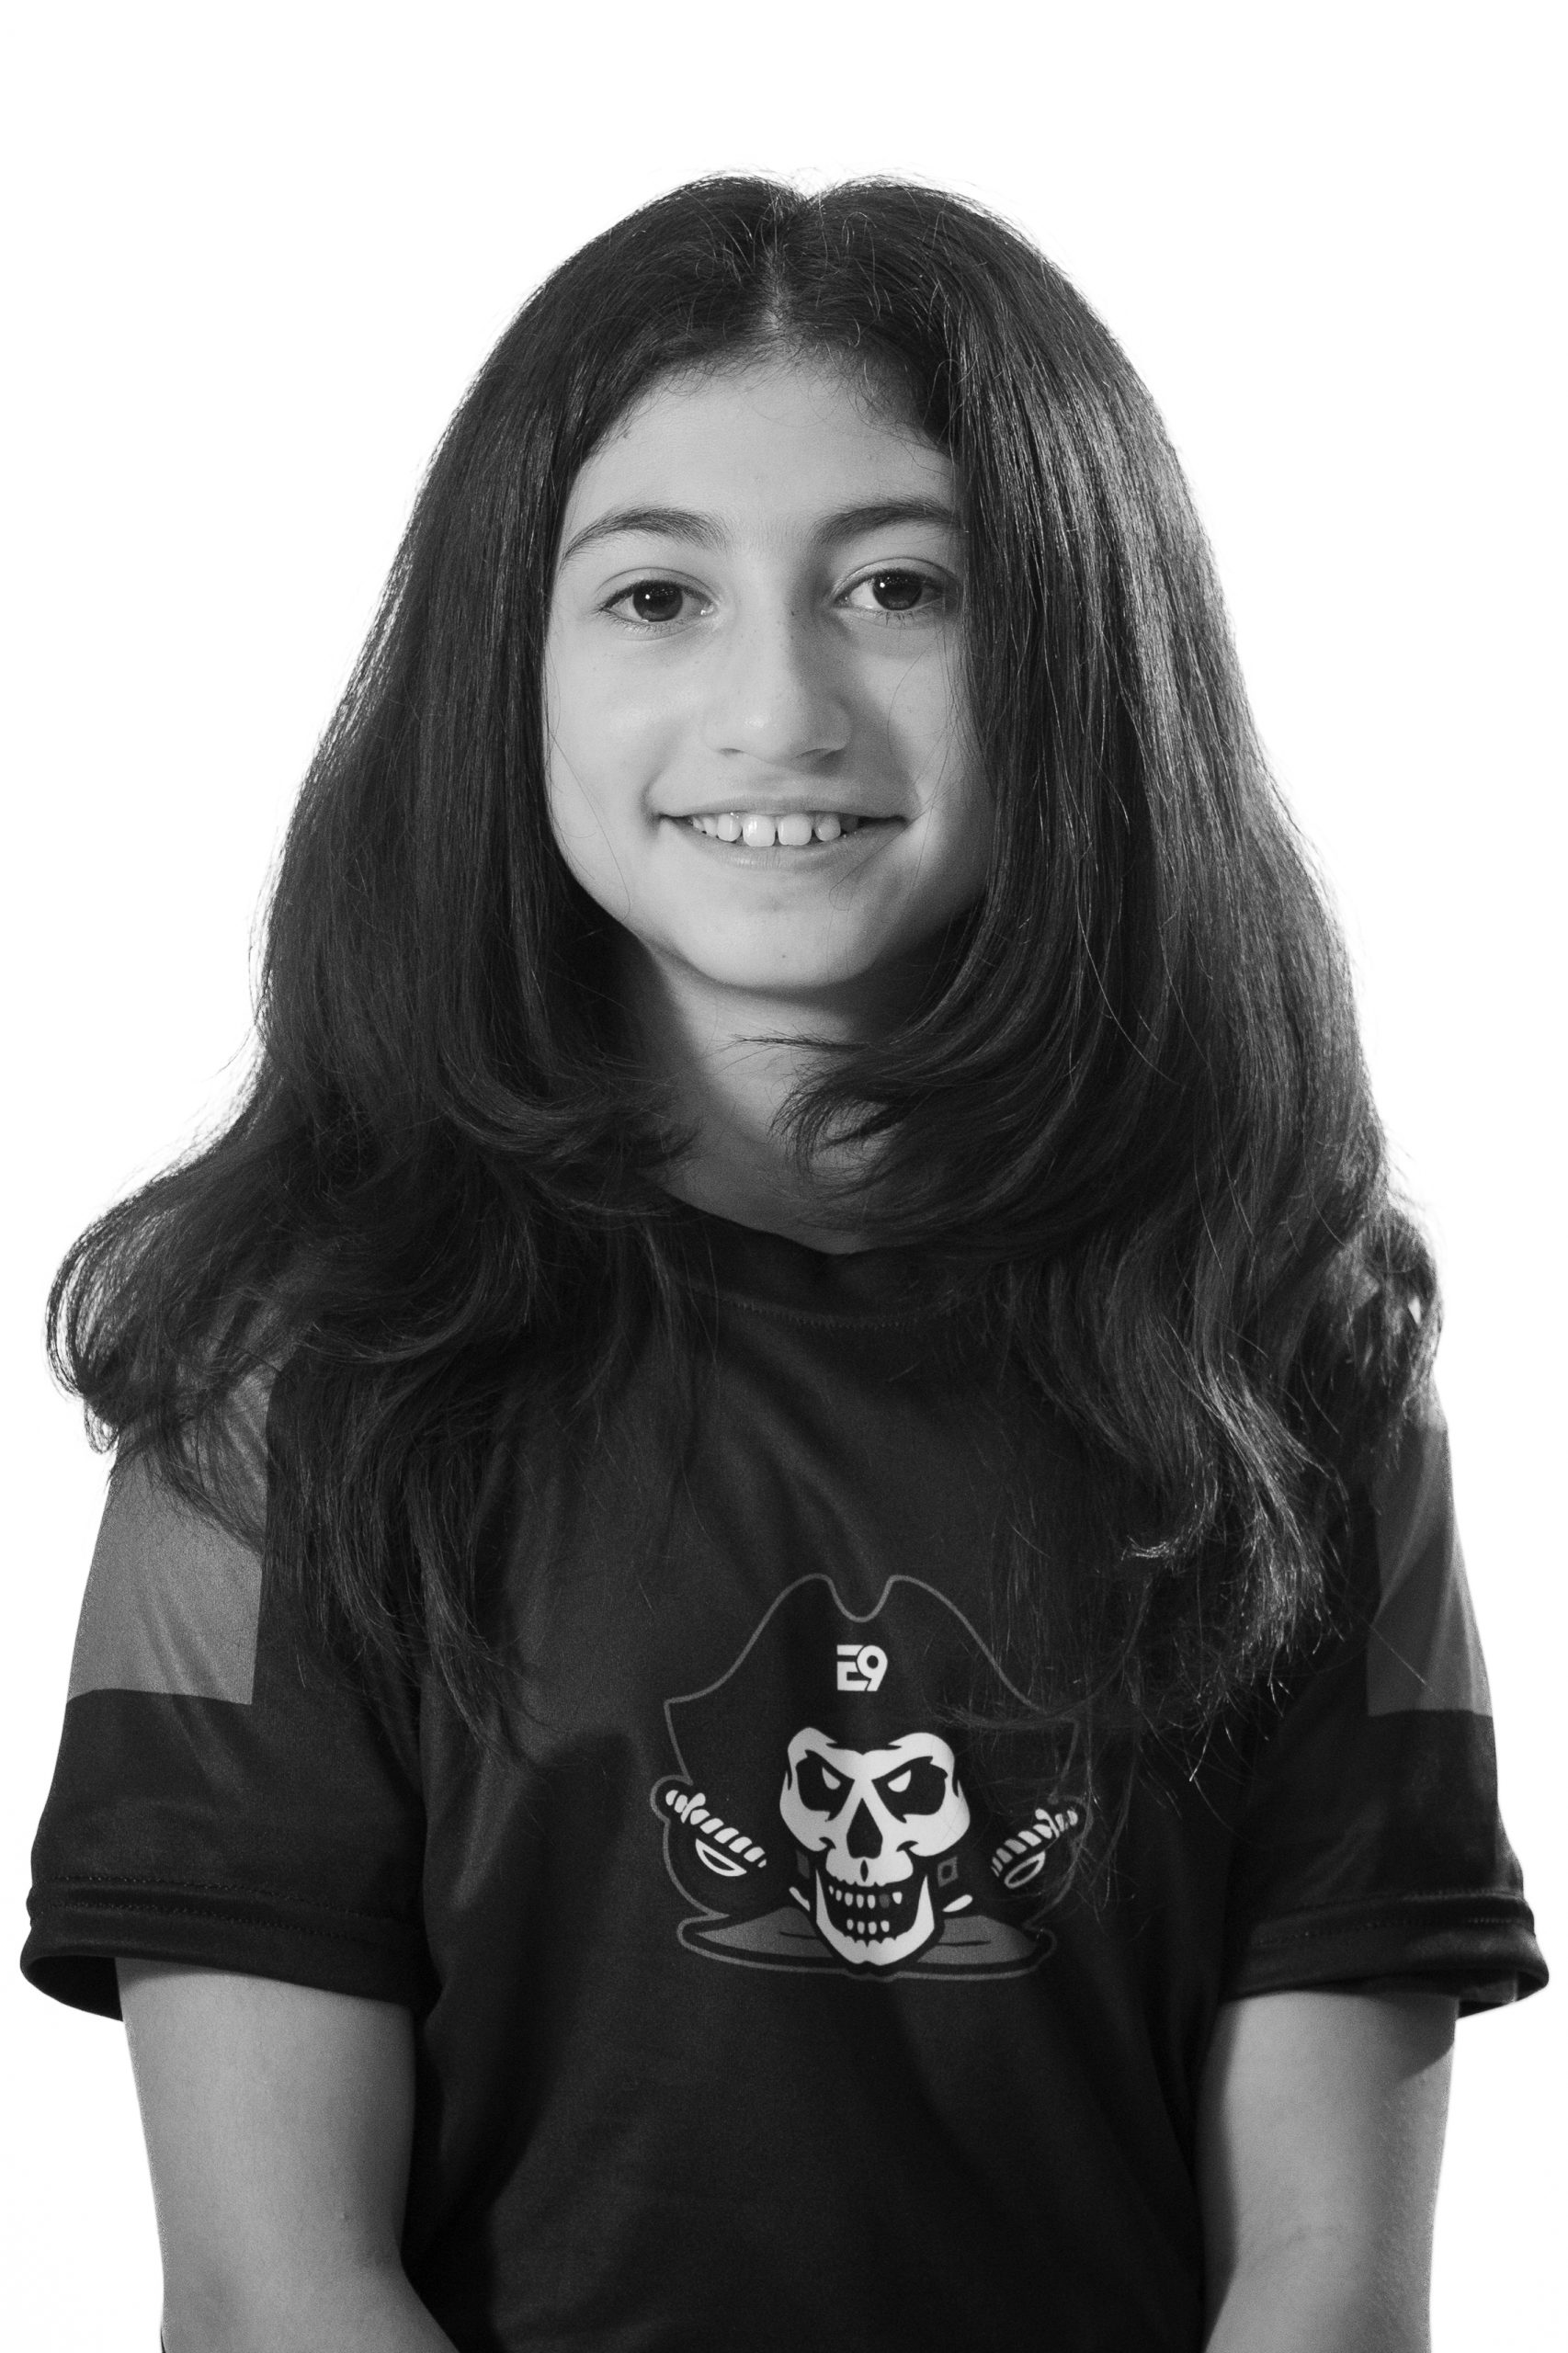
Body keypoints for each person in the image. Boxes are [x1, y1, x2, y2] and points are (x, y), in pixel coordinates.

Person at [23, 176, 1545, 2353]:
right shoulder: (291, 1364)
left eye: (900, 586)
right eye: (655, 594)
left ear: (1081, 652)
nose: (779, 708)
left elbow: (1325, 2284)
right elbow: (278, 2289)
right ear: (506, 662)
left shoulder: (1286, 1353)